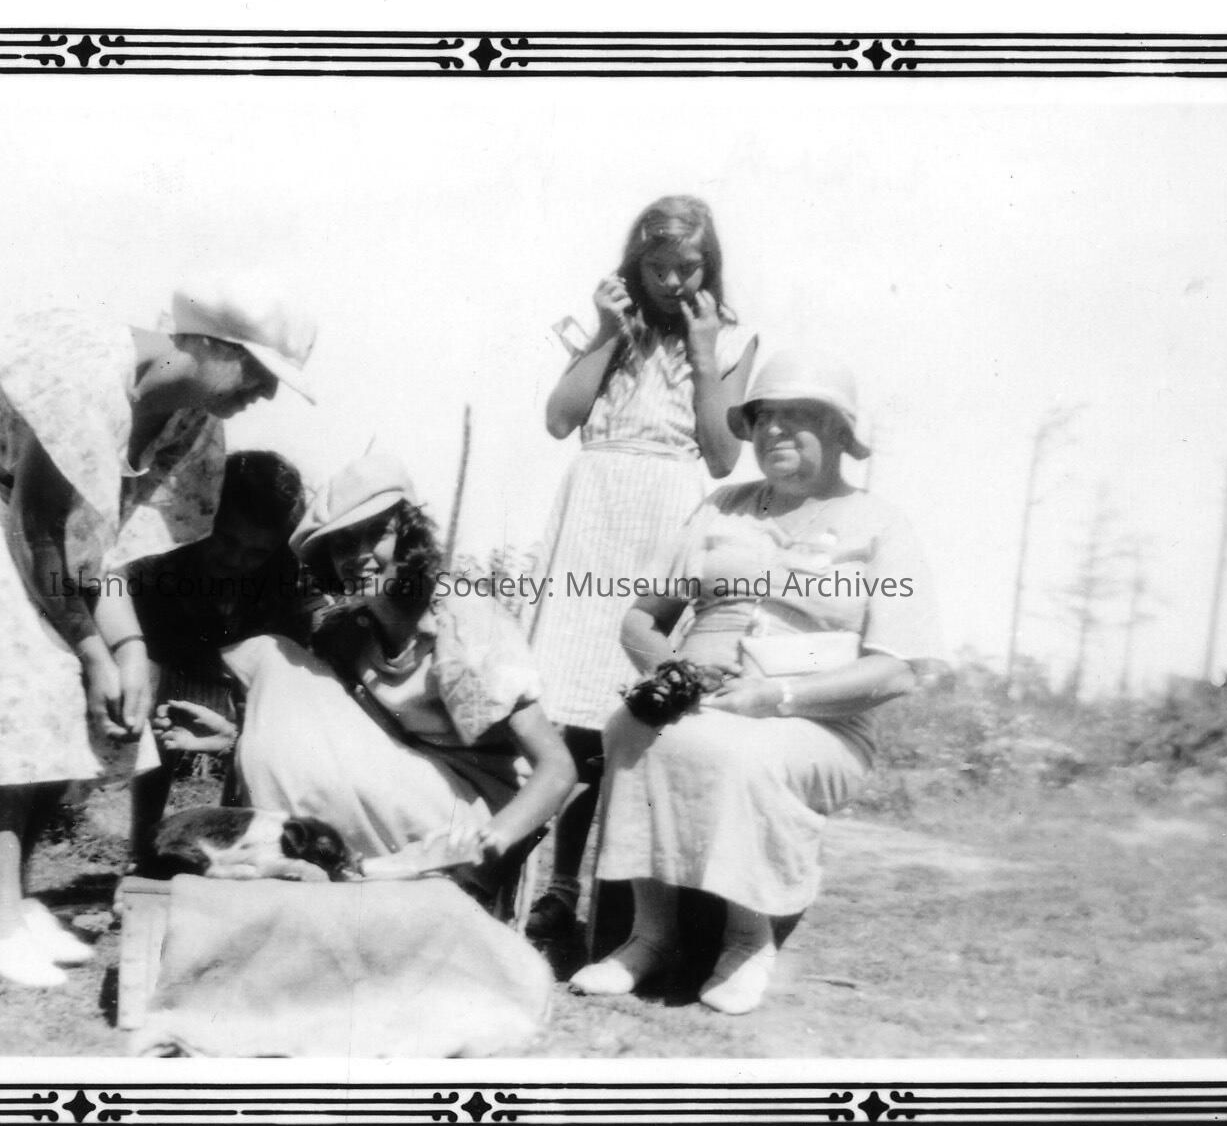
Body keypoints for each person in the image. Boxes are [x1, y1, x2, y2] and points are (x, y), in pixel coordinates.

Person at [0, 279, 316, 987]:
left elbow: (102, 549)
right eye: (257, 369)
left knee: (87, 676)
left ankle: (11, 890)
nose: (267, 392)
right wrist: (94, 647)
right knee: (36, 660)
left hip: (15, 496)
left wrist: (128, 649)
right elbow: (42, 532)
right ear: (206, 344)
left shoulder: (191, 426)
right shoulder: (91, 373)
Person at [569, 353, 943, 1014]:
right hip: (704, 701)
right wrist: (674, 670)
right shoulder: (723, 509)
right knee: (630, 727)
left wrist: (776, 697)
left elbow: (898, 668)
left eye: (797, 417)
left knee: (741, 751)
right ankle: (650, 937)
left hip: (819, 720)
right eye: (764, 416)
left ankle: (748, 942)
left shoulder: (880, 525)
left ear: (839, 431)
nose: (773, 430)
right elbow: (640, 620)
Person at [167, 454, 577, 910]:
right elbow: (334, 747)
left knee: (270, 656)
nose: (359, 556)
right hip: (399, 799)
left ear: (409, 536)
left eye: (377, 533)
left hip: (469, 822)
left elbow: (558, 768)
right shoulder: (349, 633)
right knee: (274, 658)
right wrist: (236, 740)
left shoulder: (461, 621)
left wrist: (488, 843)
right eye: (343, 544)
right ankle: (308, 881)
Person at [525, 195, 761, 940]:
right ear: (635, 263)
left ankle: (624, 904)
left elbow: (722, 455)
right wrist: (605, 332)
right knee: (567, 706)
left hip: (667, 508)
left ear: (709, 266)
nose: (671, 281)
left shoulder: (730, 338)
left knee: (633, 705)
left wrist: (703, 353)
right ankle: (555, 885)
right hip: (593, 510)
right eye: (656, 267)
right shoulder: (612, 326)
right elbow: (559, 420)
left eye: (687, 267)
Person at [89, 450, 310, 870]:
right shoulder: (168, 545)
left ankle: (240, 837)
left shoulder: (286, 573)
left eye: (255, 552)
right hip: (165, 642)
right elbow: (116, 591)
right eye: (226, 541)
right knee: (158, 712)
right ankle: (145, 846)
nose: (236, 560)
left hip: (237, 652)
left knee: (259, 719)